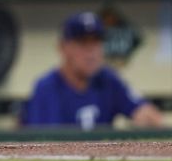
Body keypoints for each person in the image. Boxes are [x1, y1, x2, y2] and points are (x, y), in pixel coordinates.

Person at [23, 12, 164, 130]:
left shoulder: (108, 79)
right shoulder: (46, 86)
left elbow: (152, 116)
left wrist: (142, 120)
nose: (91, 52)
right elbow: (44, 142)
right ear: (63, 48)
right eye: (83, 43)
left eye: (96, 42)